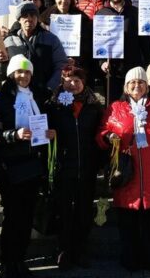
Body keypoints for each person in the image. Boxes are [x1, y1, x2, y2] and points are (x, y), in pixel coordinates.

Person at [96, 67, 150, 273]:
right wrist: (108, 137)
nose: (137, 86)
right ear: (126, 88)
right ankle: (131, 261)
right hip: (126, 173)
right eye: (132, 83)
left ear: (147, 86)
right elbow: (101, 132)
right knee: (128, 224)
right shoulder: (115, 108)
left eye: (141, 82)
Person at [0, 55, 54, 278]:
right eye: (19, 72)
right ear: (11, 74)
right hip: (10, 165)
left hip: (33, 163)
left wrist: (51, 133)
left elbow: (47, 123)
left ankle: (21, 260)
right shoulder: (0, 99)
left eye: (27, 72)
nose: (23, 76)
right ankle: (8, 262)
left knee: (26, 216)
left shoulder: (40, 96)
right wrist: (12, 135)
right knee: (12, 215)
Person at [45, 67, 104, 270]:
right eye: (68, 80)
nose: (72, 84)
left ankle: (80, 250)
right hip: (63, 166)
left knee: (84, 211)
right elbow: (44, 131)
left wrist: (100, 163)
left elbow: (99, 135)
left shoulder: (94, 106)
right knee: (63, 211)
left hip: (87, 167)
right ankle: (63, 250)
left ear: (83, 83)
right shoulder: (54, 106)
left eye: (77, 80)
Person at [0, 1, 69, 104]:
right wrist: (0, 62)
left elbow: (61, 66)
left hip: (43, 98)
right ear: (19, 20)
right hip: (15, 98)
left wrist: (49, 88)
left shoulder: (51, 40)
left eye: (33, 15)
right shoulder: (8, 42)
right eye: (25, 16)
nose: (29, 19)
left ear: (37, 19)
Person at [96, 0, 150, 102]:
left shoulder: (135, 12)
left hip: (133, 67)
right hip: (112, 69)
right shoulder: (101, 14)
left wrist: (149, 64)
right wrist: (102, 63)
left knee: (135, 102)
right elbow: (98, 42)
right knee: (114, 104)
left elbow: (145, 41)